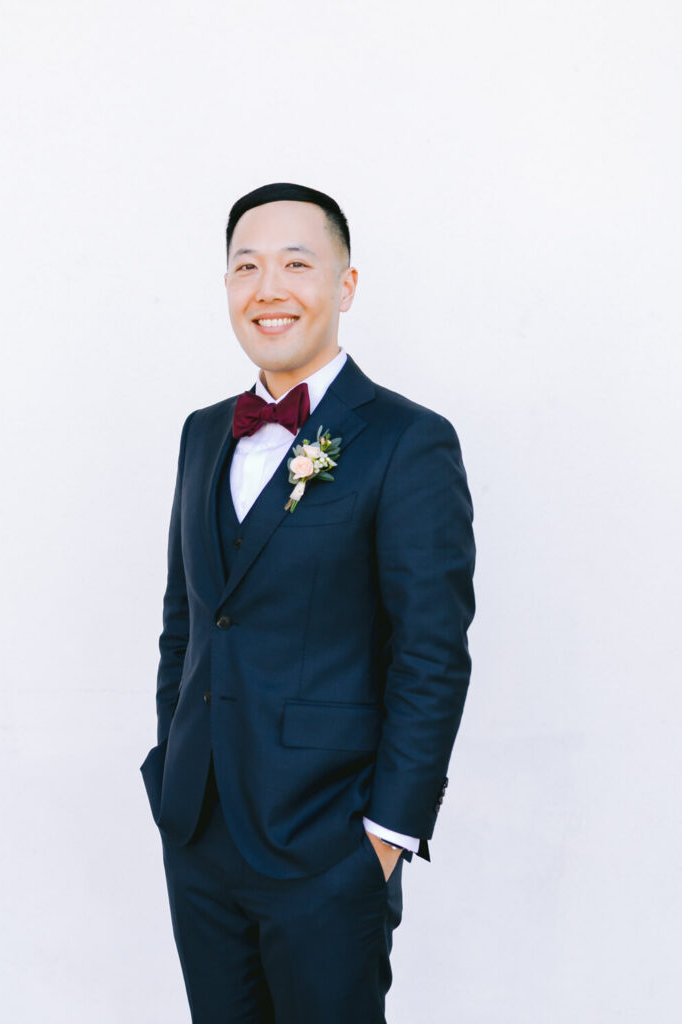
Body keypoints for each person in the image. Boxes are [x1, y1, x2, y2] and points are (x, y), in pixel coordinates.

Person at [140, 181, 476, 1023]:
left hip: (330, 845)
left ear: (346, 286)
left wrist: (385, 840)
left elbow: (431, 653)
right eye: (246, 266)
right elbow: (187, 620)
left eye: (297, 263)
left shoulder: (408, 441)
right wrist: (170, 768)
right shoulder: (201, 431)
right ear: (227, 287)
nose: (269, 288)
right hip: (200, 836)